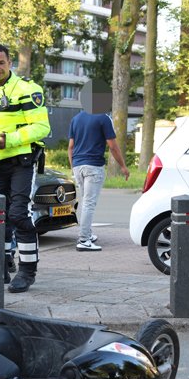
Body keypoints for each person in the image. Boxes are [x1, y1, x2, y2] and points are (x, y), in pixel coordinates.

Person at [0, 44, 51, 293]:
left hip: (22, 162)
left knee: (17, 214)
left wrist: (11, 139)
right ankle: (1, 268)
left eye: (0, 63)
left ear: (9, 63)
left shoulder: (28, 89)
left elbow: (42, 128)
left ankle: (27, 271)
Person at [68, 79, 130, 252]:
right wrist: (123, 166)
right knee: (89, 203)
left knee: (85, 202)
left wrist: (73, 167)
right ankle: (84, 240)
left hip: (78, 166)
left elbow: (71, 147)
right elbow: (113, 145)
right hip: (93, 167)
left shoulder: (76, 118)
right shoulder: (104, 118)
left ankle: (87, 233)